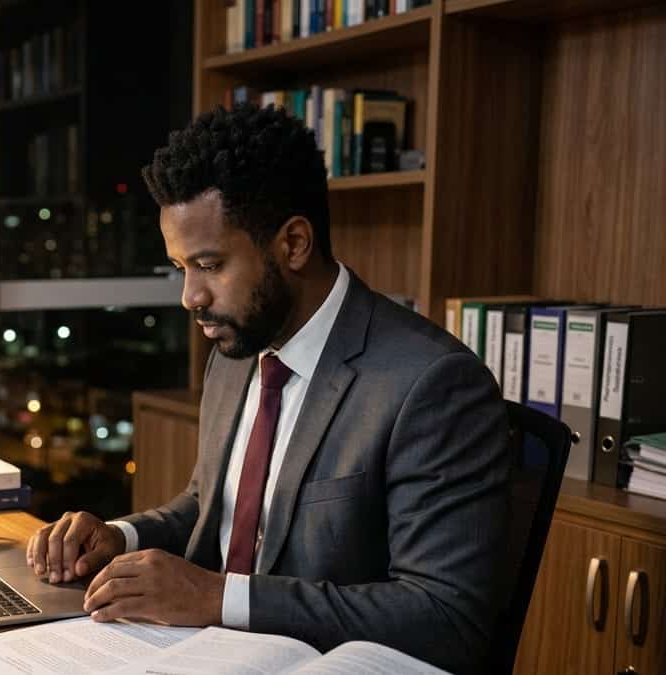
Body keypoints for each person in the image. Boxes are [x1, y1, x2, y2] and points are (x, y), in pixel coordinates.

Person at [26, 103, 509, 674]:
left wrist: (216, 597)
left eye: (209, 264)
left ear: (294, 243)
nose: (190, 297)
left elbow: (446, 616)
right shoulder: (237, 350)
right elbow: (214, 506)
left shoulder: (430, 383)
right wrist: (121, 538)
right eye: (181, 267)